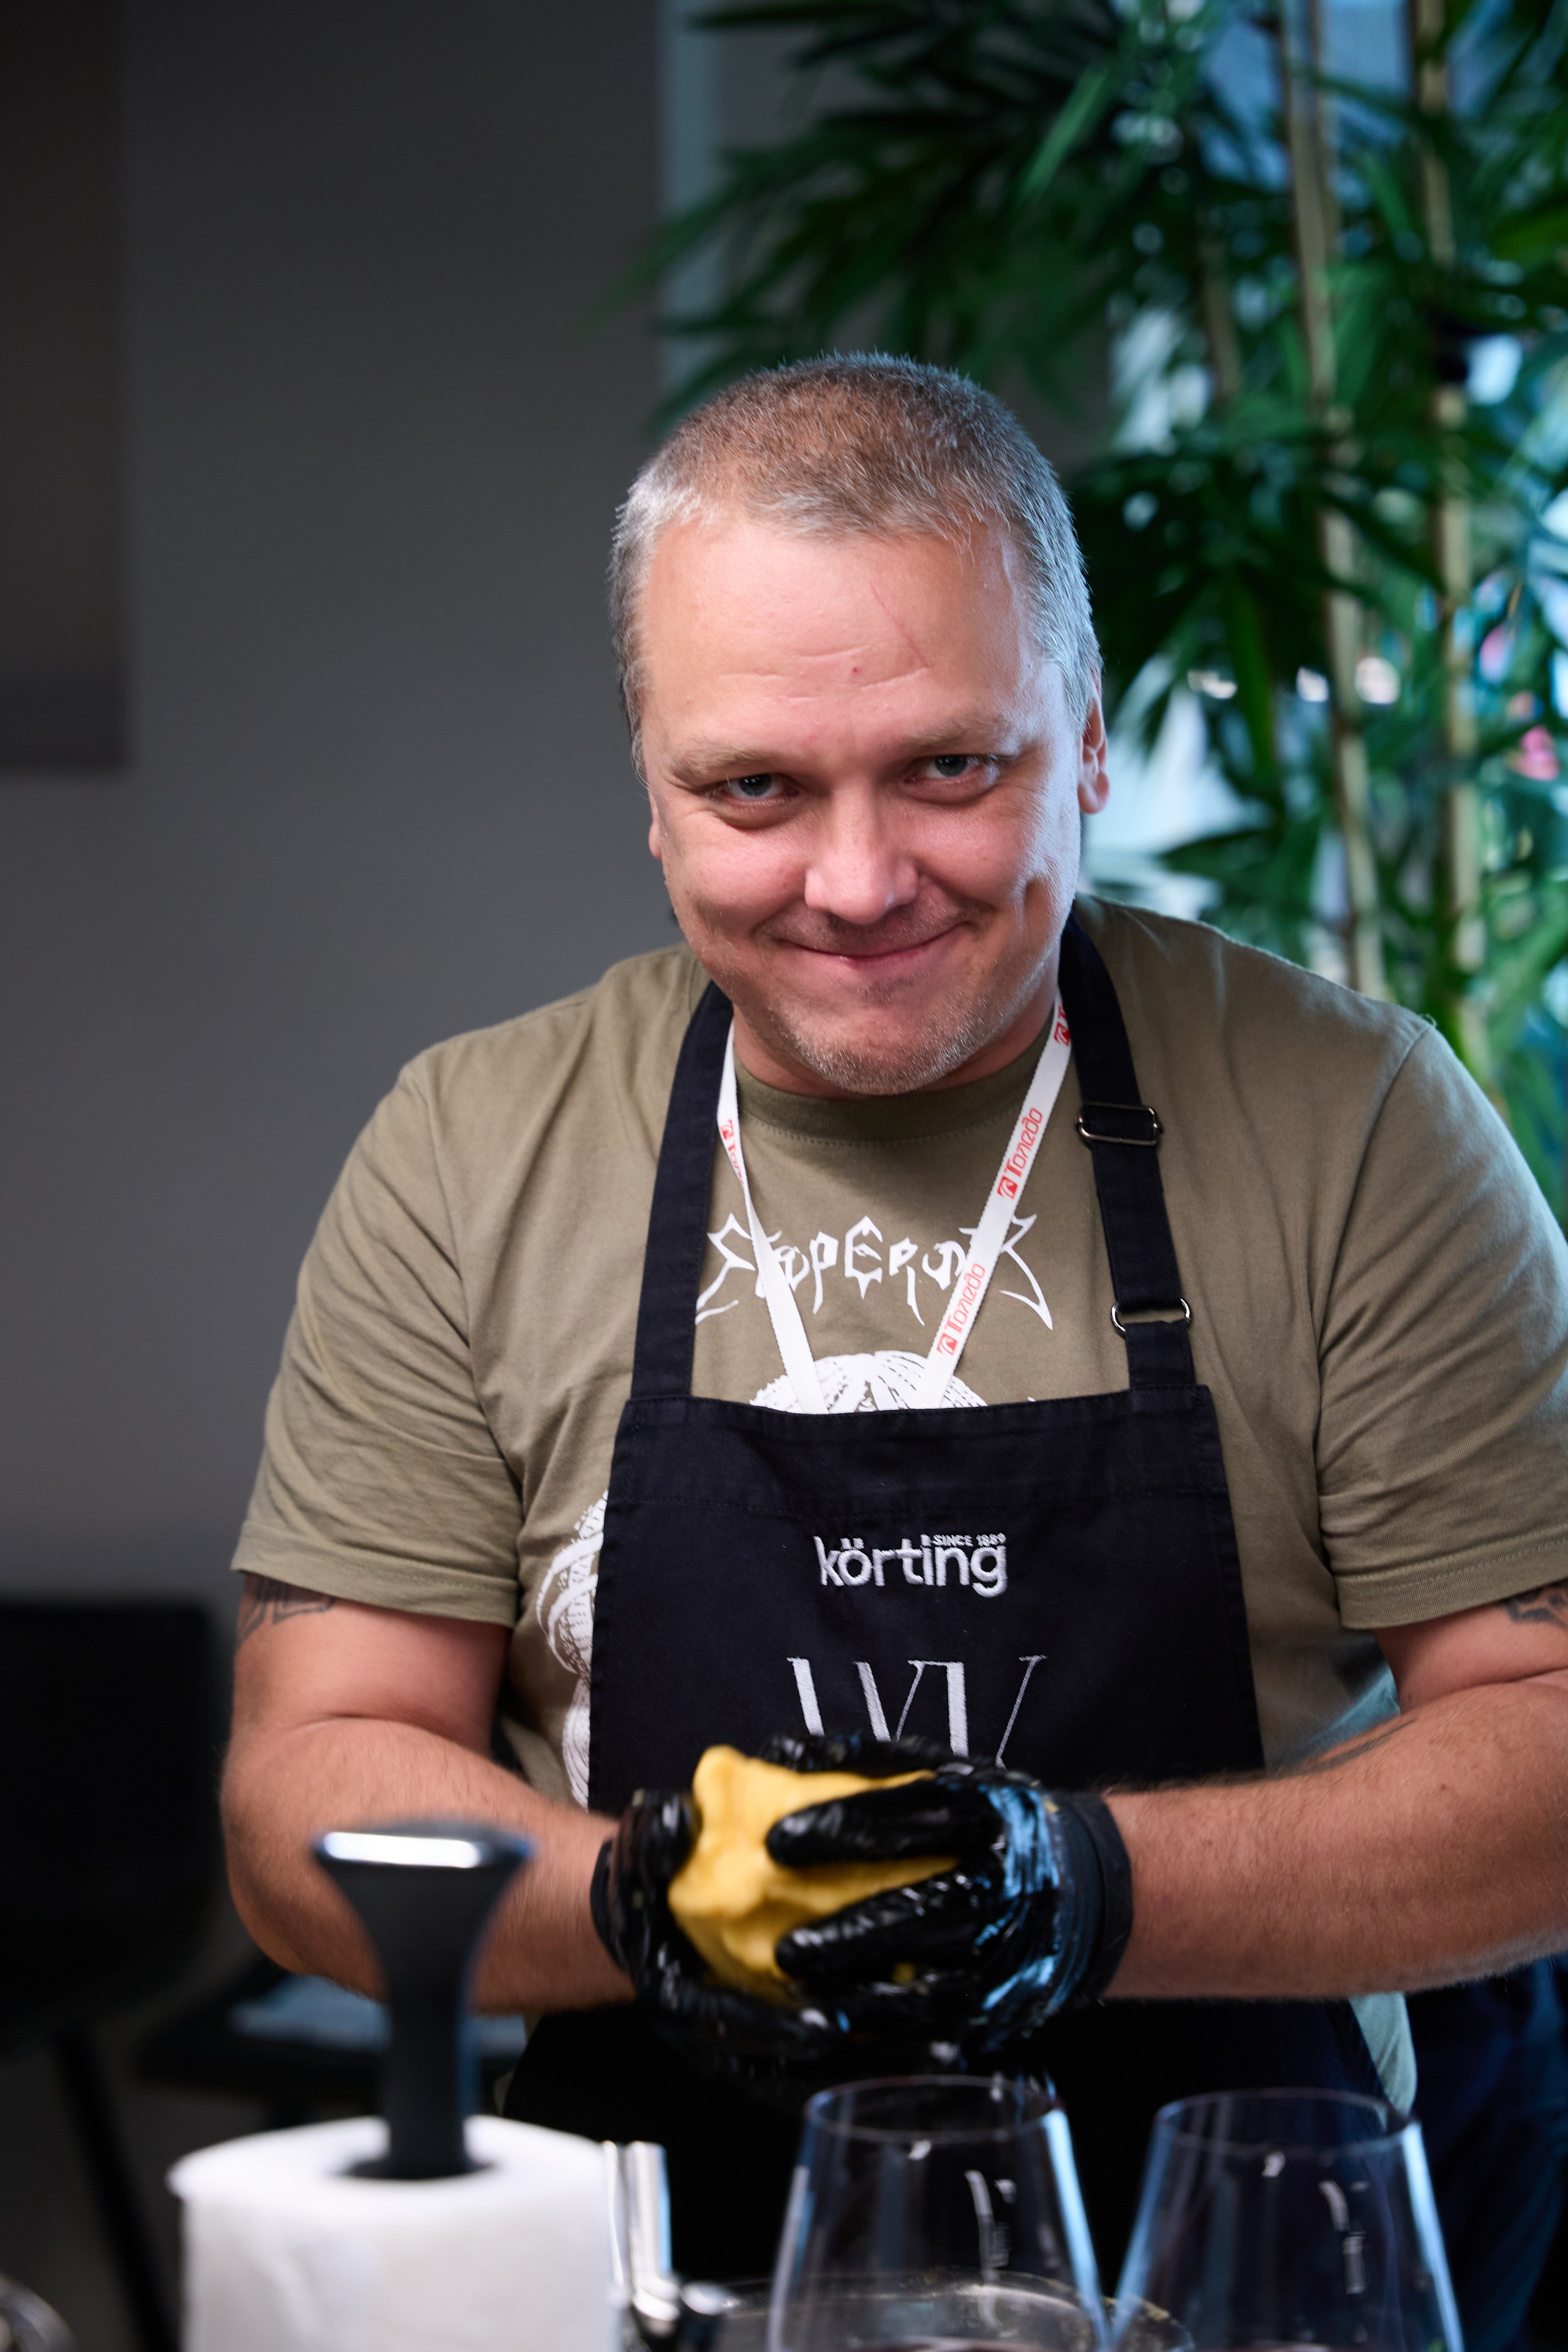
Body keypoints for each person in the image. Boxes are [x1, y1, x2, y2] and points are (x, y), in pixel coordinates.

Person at [224, 357, 1568, 2301]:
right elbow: (306, 1797)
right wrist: (634, 1900)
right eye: (755, 790)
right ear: (652, 785)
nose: (856, 886)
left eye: (953, 768)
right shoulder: (469, 1152)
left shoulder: (1350, 1117)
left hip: (1214, 2269)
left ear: (1091, 740)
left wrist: (1094, 1887)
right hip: (652, 2269)